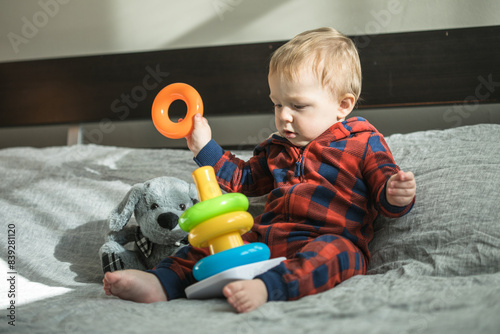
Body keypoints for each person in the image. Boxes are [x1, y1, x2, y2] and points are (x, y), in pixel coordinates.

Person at [103, 27, 416, 313]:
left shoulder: (363, 142)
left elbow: (385, 192)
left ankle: (269, 287)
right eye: (278, 105)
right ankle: (162, 281)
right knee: (210, 245)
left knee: (338, 254)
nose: (284, 117)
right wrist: (204, 147)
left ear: (343, 105)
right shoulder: (276, 147)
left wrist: (395, 193)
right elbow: (242, 180)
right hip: (269, 236)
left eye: (298, 106)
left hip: (328, 237)